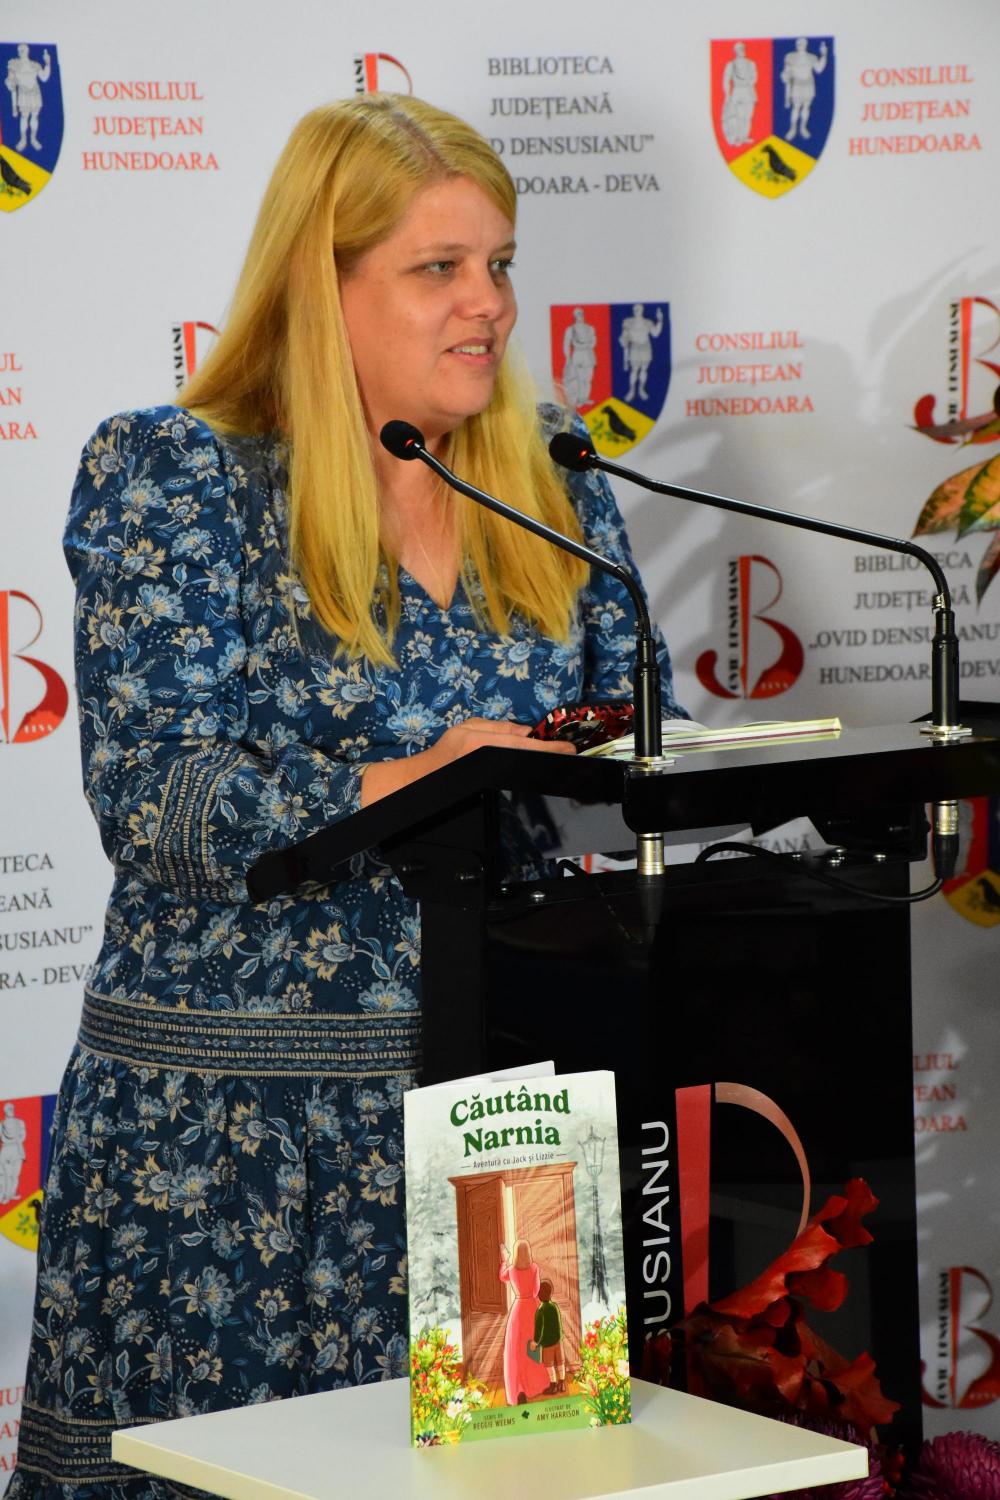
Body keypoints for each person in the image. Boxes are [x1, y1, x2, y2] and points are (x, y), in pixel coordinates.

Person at [7, 93, 681, 1500]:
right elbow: (156, 798)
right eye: (439, 268)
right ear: (324, 286)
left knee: (514, 1487)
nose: (489, 303)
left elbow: (646, 734)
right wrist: (420, 775)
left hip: (508, 1127)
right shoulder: (178, 473)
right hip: (236, 1148)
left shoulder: (551, 474)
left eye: (499, 263)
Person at [498, 1239, 550, 1405]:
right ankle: (535, 1385)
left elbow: (502, 1276)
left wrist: (504, 1260)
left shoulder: (511, 1270)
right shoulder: (534, 1268)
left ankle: (518, 1389)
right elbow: (535, 1291)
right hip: (531, 1309)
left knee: (516, 1351)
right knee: (532, 1349)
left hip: (518, 1310)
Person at [531, 1277, 566, 1394]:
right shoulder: (554, 1306)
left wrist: (535, 1342)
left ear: (539, 1295)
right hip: (558, 1341)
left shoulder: (540, 1310)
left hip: (547, 1344)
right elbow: (559, 1324)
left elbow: (538, 1329)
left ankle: (553, 1385)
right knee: (560, 1362)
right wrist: (560, 1336)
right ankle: (562, 1383)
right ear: (550, 1293)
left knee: (549, 1365)